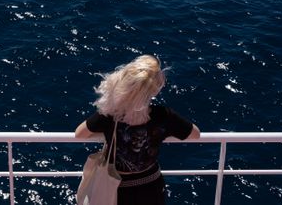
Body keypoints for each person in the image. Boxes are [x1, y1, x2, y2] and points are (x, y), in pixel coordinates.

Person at [75, 55, 200, 205]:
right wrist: (163, 132)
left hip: (118, 188)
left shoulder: (111, 115)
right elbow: (195, 135)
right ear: (153, 90)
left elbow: (79, 134)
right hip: (151, 187)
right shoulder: (163, 115)